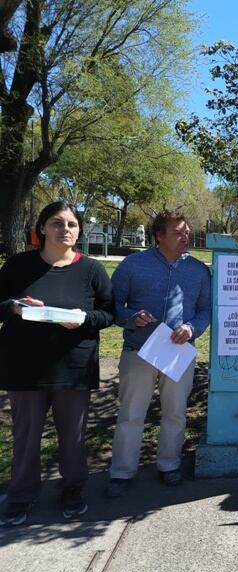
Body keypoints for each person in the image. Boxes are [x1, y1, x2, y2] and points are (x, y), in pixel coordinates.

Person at [0, 201, 115, 525]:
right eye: (56, 223)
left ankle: (73, 489)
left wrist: (84, 320)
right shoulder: (19, 266)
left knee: (73, 436)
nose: (65, 229)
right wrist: (14, 307)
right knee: (26, 435)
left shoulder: (91, 269)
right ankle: (21, 496)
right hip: (24, 367)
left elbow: (109, 313)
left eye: (71, 224)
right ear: (42, 228)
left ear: (79, 231)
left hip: (73, 368)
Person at [105, 210, 211, 497]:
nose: (185, 237)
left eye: (187, 231)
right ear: (159, 236)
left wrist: (191, 328)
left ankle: (169, 465)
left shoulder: (199, 270)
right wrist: (130, 317)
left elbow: (205, 311)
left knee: (175, 413)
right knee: (131, 414)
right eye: (178, 232)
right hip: (139, 351)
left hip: (178, 353)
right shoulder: (132, 265)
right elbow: (112, 306)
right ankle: (122, 472)